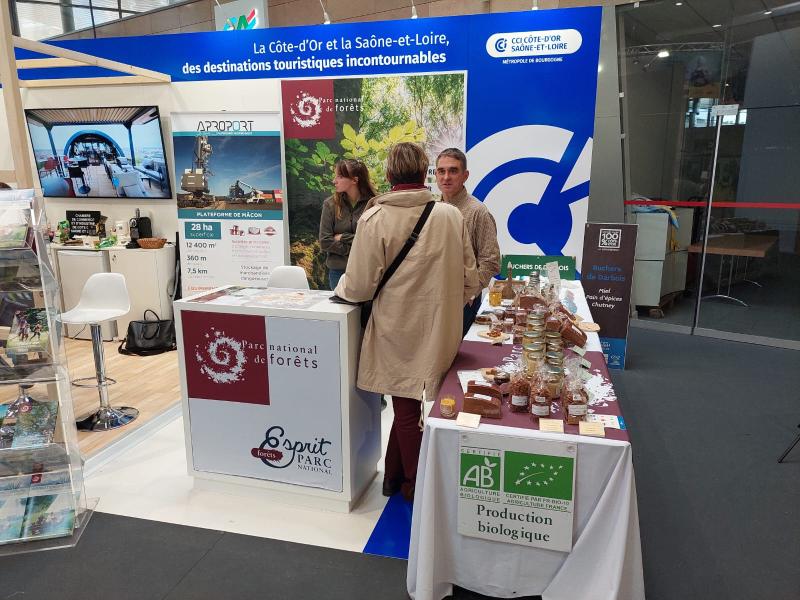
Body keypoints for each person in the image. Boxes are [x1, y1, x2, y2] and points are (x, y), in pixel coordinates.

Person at [335, 143, 479, 502]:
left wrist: (339, 288)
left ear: (387, 175)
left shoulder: (375, 218)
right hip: (440, 326)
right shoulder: (449, 215)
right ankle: (395, 478)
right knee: (420, 406)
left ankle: (417, 486)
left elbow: (358, 286)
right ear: (425, 173)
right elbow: (470, 279)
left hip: (395, 328)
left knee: (404, 408)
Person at [436, 148, 501, 337]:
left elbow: (491, 260)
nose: (446, 177)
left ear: (465, 176)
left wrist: (471, 292)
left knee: (456, 356)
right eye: (441, 171)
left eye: (453, 171)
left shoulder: (478, 212)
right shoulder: (432, 210)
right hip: (434, 297)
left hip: (462, 301)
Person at [318, 159, 377, 290]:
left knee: (365, 311)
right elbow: (325, 241)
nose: (334, 181)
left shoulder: (374, 204)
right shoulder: (330, 204)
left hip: (366, 272)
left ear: (354, 180)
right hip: (338, 273)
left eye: (340, 176)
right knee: (340, 310)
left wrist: (343, 237)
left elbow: (373, 241)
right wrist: (355, 249)